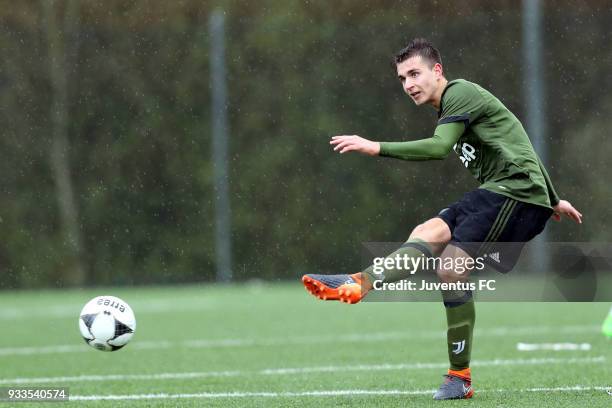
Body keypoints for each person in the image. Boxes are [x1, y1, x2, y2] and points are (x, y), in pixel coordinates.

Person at [301, 38, 583, 400]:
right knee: (427, 231)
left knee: (451, 267)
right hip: (510, 191)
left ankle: (458, 375)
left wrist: (375, 146)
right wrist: (555, 199)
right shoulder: (454, 106)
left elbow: (437, 148)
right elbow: (520, 140)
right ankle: (361, 283)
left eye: (415, 73)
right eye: (403, 78)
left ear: (438, 71)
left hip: (517, 193)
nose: (409, 84)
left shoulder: (460, 92)